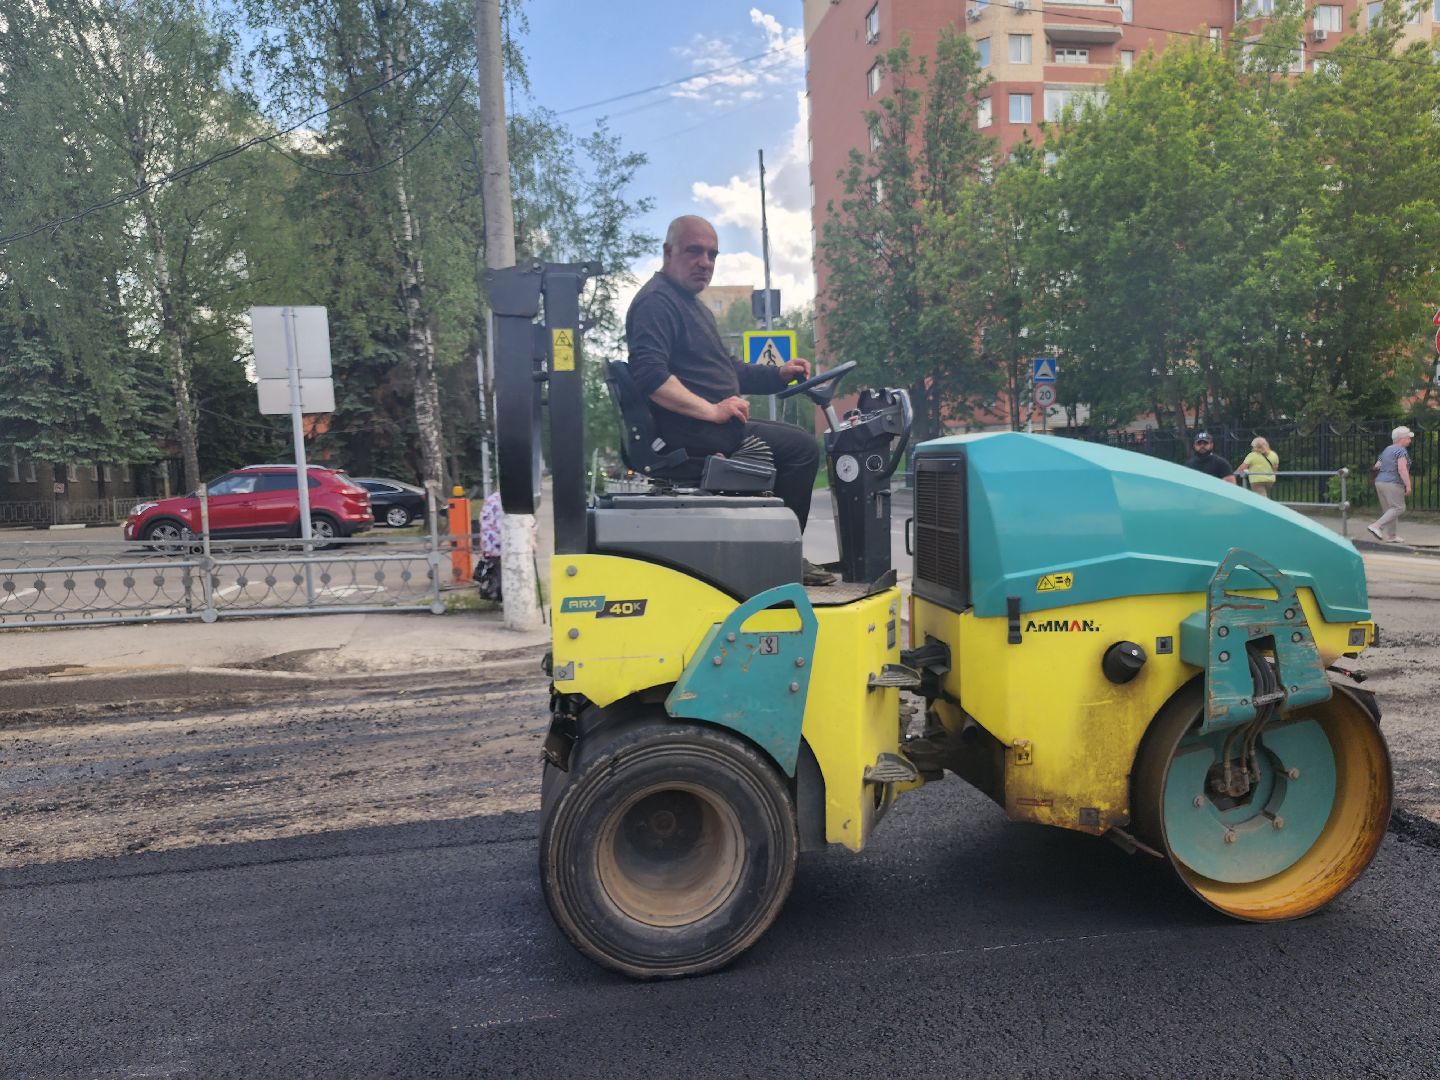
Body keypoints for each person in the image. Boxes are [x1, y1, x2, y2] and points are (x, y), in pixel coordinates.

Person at [626, 214, 834, 585]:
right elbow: (650, 376)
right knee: (801, 449)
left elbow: (728, 369)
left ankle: (774, 552)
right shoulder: (657, 302)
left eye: (712, 254)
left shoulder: (692, 305)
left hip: (707, 427)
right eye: (694, 251)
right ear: (668, 251)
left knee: (791, 445)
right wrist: (713, 410)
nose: (705, 262)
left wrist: (778, 374)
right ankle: (781, 560)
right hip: (692, 434)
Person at [1367, 426, 1414, 543]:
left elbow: (1377, 466)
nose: (1410, 440)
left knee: (1389, 510)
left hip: (1380, 482)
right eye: (1408, 438)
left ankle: (1392, 536)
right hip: (1393, 483)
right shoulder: (1401, 451)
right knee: (1399, 507)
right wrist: (1408, 485)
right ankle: (1376, 526)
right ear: (1401, 439)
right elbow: (1402, 469)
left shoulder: (1387, 449)